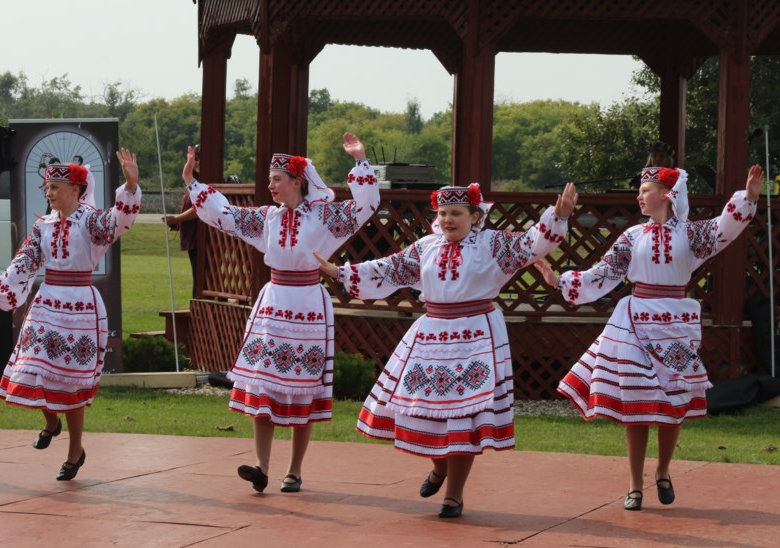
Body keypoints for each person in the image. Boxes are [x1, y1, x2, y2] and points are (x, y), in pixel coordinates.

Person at [315, 182, 577, 517]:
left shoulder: (493, 244)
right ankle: (439, 467)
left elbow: (532, 243)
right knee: (423, 409)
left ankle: (454, 494)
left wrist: (558, 216)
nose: (449, 219)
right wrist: (340, 271)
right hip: (432, 335)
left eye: (457, 213)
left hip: (476, 336)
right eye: (443, 213)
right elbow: (387, 269)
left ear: (475, 215)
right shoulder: (426, 246)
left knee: (463, 416)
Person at [536, 150, 764, 510]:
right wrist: (561, 280)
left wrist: (748, 197)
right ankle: (634, 484)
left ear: (668, 194)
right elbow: (604, 274)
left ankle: (663, 471)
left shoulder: (691, 235)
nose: (639, 196)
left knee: (673, 404)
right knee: (637, 403)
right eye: (640, 190)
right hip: (634, 321)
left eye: (645, 189)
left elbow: (725, 228)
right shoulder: (631, 236)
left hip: (674, 324)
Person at [182, 133, 380, 493]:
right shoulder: (267, 218)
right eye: (270, 179)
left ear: (296, 182)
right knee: (263, 386)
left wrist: (360, 160)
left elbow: (365, 207)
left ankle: (294, 470)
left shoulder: (324, 217)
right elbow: (225, 215)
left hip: (307, 305)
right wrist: (192, 182)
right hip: (273, 305)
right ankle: (261, 467)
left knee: (303, 389)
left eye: (276, 179)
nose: (270, 186)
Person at [0, 150, 141, 481]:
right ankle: (51, 422)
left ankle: (75, 451)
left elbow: (121, 220)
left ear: (75, 189)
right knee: (33, 367)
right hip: (46, 306)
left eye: (55, 187)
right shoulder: (42, 226)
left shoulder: (92, 222)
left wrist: (130, 185)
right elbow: (24, 263)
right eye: (47, 187)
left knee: (69, 384)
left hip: (79, 308)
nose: (49, 192)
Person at [165, 143, 200, 298]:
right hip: (193, 237)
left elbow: (200, 209)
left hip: (201, 239)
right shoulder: (196, 180)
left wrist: (176, 218)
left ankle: (198, 312)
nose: (195, 161)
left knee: (200, 280)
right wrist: (178, 222)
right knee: (197, 277)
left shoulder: (205, 182)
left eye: (197, 157)